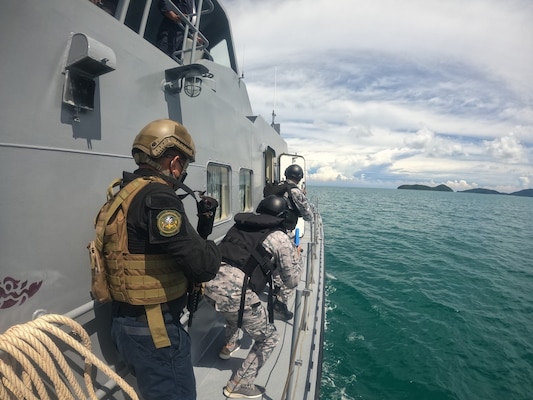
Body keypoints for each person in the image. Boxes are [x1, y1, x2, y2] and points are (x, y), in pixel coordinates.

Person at [102, 119, 221, 400]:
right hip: (154, 330)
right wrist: (213, 246)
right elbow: (203, 266)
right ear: (175, 162)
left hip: (125, 323)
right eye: (185, 167)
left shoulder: (124, 193)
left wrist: (203, 226)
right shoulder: (159, 197)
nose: (182, 174)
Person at [204, 195, 303, 399]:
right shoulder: (280, 238)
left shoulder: (240, 225)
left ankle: (229, 345)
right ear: (283, 216)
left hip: (208, 288)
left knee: (236, 309)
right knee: (269, 338)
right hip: (235, 297)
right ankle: (239, 384)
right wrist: (297, 256)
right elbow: (291, 281)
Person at [272, 164, 313, 320]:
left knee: (275, 262)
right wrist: (302, 196)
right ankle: (280, 303)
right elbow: (308, 215)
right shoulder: (296, 192)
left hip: (269, 231)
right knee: (295, 266)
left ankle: (276, 286)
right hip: (284, 233)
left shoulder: (277, 187)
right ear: (299, 178)